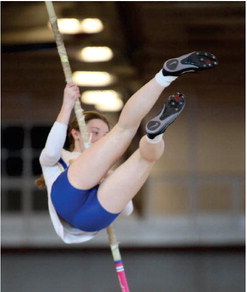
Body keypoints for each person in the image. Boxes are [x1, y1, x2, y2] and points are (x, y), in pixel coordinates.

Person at [37, 51, 218, 244]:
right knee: (123, 131)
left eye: (104, 134)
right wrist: (67, 105)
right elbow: (49, 153)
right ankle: (164, 77)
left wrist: (109, 178)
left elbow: (128, 208)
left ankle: (155, 135)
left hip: (90, 219)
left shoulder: (101, 165)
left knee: (144, 156)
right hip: (71, 201)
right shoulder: (60, 159)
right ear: (75, 134)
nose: (100, 138)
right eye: (95, 132)